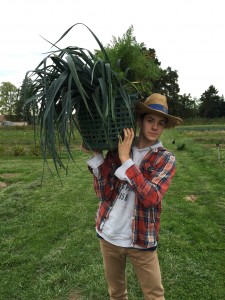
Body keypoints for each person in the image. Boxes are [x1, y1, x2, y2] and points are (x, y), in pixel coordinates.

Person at [86, 93, 183, 300]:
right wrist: (98, 157)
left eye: (160, 123)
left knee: (154, 295)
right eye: (150, 120)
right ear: (139, 121)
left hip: (141, 240)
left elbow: (151, 198)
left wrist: (125, 160)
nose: (155, 127)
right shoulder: (119, 149)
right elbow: (104, 195)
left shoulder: (165, 158)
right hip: (109, 235)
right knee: (117, 294)